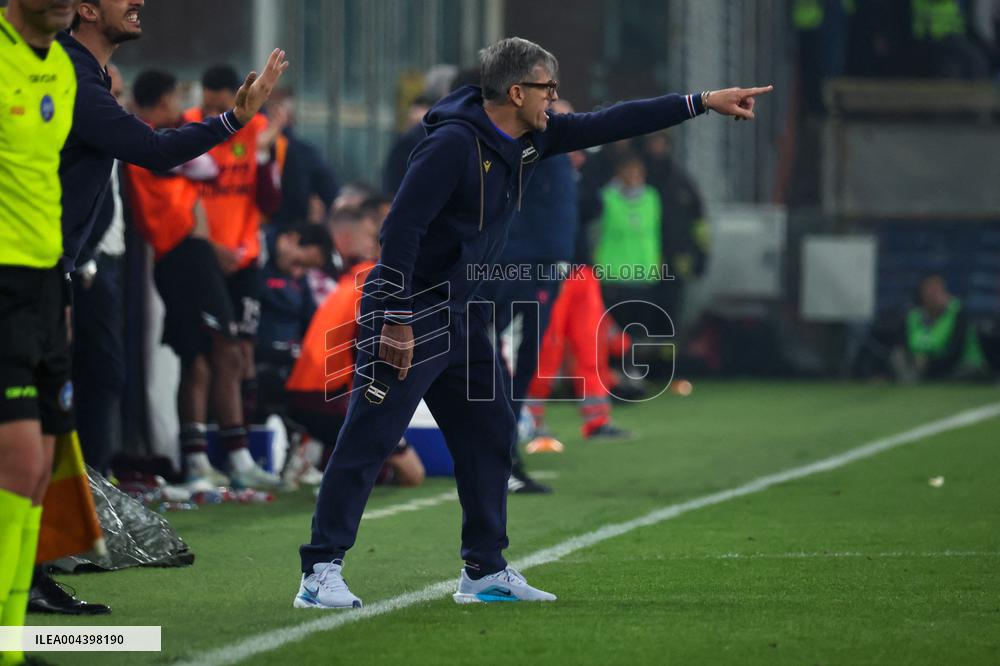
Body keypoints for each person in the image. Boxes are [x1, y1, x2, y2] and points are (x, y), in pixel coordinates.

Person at [294, 36, 772, 609]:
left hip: (463, 314)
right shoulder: (450, 145)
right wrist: (395, 317)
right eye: (548, 88)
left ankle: (483, 570)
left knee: (491, 433)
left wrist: (701, 101)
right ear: (516, 91)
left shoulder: (530, 138)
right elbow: (400, 229)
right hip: (410, 311)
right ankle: (320, 570)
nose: (557, 100)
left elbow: (613, 121)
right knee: (369, 436)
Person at [125, 69, 279, 489]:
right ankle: (215, 458)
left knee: (208, 354)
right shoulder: (150, 144)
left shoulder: (148, 140)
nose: (184, 110)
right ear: (161, 103)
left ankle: (218, 457)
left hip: (186, 257)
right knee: (216, 351)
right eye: (177, 101)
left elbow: (209, 169)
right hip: (183, 256)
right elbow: (207, 167)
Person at [57, 0, 288, 273]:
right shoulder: (76, 81)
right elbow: (157, 149)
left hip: (58, 264)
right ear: (87, 11)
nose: (139, 2)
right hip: (39, 264)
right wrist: (233, 119)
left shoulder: (82, 74)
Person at [0, 1, 78, 662]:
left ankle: (13, 643)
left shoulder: (64, 70)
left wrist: (62, 288)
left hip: (45, 285)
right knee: (19, 461)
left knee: (38, 472)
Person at [183, 64, 283, 427]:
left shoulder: (258, 130)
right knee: (205, 356)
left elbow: (271, 202)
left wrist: (263, 155)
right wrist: (207, 245)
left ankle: (250, 440)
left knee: (243, 353)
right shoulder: (187, 126)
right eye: (208, 107)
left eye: (220, 107)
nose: (214, 115)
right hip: (202, 258)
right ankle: (212, 439)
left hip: (245, 260)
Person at [894, 274, 988, 380]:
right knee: (898, 357)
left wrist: (929, 363)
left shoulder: (958, 312)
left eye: (936, 290)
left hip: (960, 365)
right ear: (921, 294)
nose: (933, 296)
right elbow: (905, 345)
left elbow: (955, 352)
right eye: (928, 291)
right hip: (923, 367)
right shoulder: (913, 316)